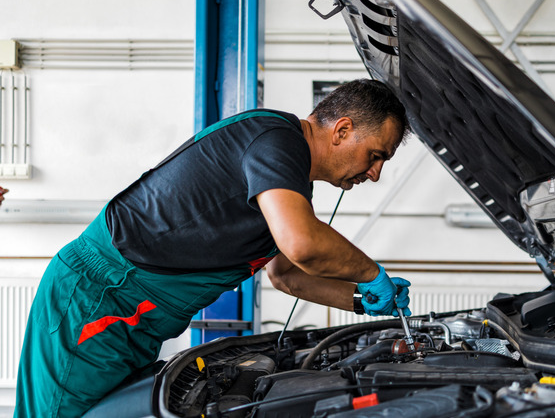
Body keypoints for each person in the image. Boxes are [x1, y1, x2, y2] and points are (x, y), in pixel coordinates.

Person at [14, 79, 413, 417]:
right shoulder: (276, 141)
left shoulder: (289, 177)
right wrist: (370, 273)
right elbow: (302, 243)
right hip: (98, 300)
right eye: (376, 156)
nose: (375, 174)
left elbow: (287, 275)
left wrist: (362, 301)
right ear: (342, 130)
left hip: (134, 318)